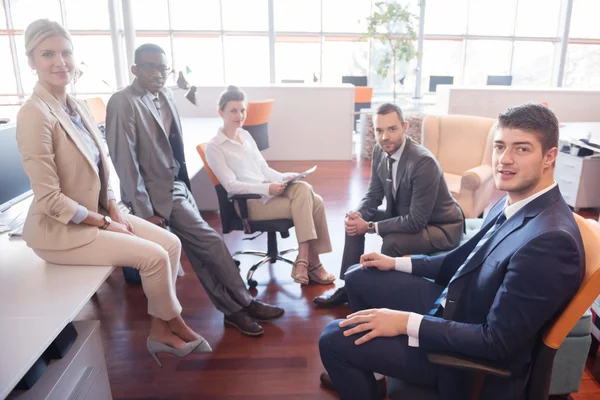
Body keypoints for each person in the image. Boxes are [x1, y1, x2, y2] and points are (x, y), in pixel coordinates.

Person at [318, 103, 585, 400]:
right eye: (499, 147)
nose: (504, 160)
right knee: (359, 276)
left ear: (550, 156)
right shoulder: (514, 201)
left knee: (333, 339)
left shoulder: (551, 242)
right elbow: (459, 260)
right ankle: (369, 368)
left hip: (463, 358)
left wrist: (405, 322)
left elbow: (496, 342)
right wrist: (396, 263)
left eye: (521, 149)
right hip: (458, 305)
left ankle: (361, 365)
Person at [16, 19, 211, 365]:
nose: (60, 62)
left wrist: (115, 210)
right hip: (60, 230)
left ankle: (159, 329)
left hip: (99, 213)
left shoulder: (76, 107)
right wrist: (105, 224)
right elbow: (49, 199)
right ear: (31, 61)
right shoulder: (35, 114)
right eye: (48, 54)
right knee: (152, 257)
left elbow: (103, 168)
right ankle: (174, 323)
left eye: (66, 53)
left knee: (170, 243)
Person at [105, 44, 284, 337]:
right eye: (149, 66)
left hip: (178, 185)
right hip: (158, 196)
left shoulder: (165, 96)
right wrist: (145, 212)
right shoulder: (123, 102)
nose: (157, 73)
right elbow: (125, 161)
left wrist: (184, 186)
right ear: (134, 69)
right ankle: (246, 302)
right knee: (210, 241)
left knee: (201, 255)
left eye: (162, 67)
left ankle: (232, 311)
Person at [314, 103, 464, 308]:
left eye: (392, 129)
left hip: (440, 227)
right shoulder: (379, 150)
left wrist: (369, 226)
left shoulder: (422, 162)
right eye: (379, 130)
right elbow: (374, 194)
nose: (385, 137)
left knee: (392, 240)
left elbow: (416, 221)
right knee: (353, 224)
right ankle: (350, 286)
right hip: (407, 215)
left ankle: (378, 293)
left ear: (405, 126)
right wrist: (357, 216)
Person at [205, 85, 335, 286]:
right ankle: (312, 262)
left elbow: (263, 169)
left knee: (306, 191)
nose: (239, 115)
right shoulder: (214, 147)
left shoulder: (246, 136)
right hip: (249, 203)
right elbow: (231, 186)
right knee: (313, 200)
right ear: (220, 112)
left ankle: (305, 260)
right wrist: (267, 189)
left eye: (242, 110)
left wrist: (283, 177)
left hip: (269, 193)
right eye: (233, 110)